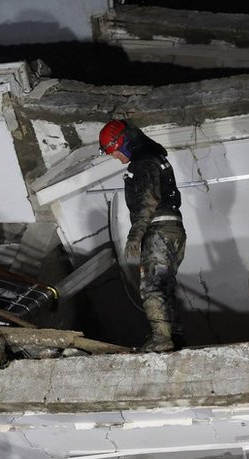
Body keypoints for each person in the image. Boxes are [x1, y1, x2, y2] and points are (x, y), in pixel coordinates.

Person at [99, 119, 186, 352]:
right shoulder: (155, 158)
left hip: (158, 230)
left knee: (152, 287)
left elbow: (147, 201)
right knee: (165, 286)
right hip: (174, 230)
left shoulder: (144, 163)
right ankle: (172, 335)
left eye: (115, 151)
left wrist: (135, 236)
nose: (115, 157)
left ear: (124, 143)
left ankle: (162, 339)